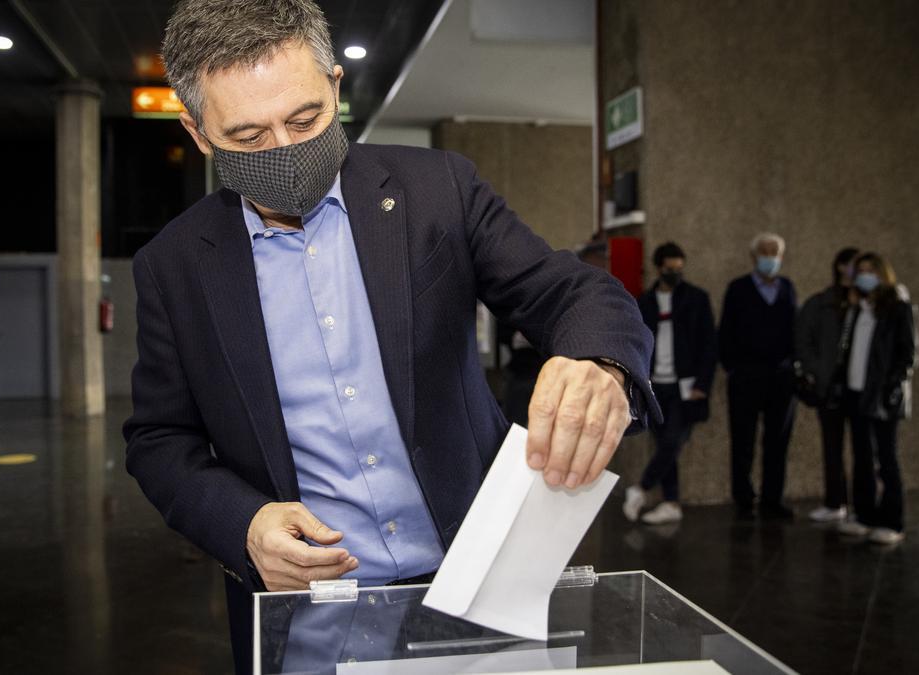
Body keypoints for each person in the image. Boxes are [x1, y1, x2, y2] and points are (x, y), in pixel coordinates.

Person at [122, 2, 658, 671]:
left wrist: (599, 362)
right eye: (249, 136)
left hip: (483, 582)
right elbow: (159, 439)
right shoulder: (175, 266)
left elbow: (572, 290)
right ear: (198, 133)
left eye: (305, 118)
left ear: (337, 88)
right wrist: (245, 523)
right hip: (312, 612)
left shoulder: (438, 189)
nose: (285, 152)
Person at [624, 242, 717, 525]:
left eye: (679, 268)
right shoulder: (644, 302)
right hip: (654, 385)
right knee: (665, 443)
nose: (675, 273)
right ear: (658, 268)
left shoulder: (696, 299)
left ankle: (640, 488)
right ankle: (671, 501)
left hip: (685, 386)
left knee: (674, 440)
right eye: (669, 268)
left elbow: (709, 345)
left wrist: (703, 383)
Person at [835, 253, 917, 545]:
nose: (865, 276)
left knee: (886, 458)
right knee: (861, 457)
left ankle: (892, 520)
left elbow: (907, 354)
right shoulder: (858, 308)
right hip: (856, 392)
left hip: (883, 396)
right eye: (861, 271)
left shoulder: (898, 307)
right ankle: (864, 515)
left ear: (883, 274)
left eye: (871, 271)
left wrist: (891, 387)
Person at [718, 233, 797, 520]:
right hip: (746, 377)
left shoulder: (787, 288)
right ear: (754, 256)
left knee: (777, 442)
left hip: (781, 378)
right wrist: (733, 368)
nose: (770, 257)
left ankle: (772, 499)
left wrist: (792, 366)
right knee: (743, 440)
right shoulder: (738, 288)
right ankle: (743, 498)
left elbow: (794, 330)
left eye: (775, 252)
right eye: (765, 252)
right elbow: (725, 332)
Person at [794, 247, 859, 523]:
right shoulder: (820, 303)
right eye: (845, 266)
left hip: (860, 389)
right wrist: (817, 372)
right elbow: (803, 341)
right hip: (829, 387)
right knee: (832, 447)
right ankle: (836, 501)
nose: (849, 272)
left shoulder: (869, 306)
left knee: (866, 452)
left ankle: (862, 507)